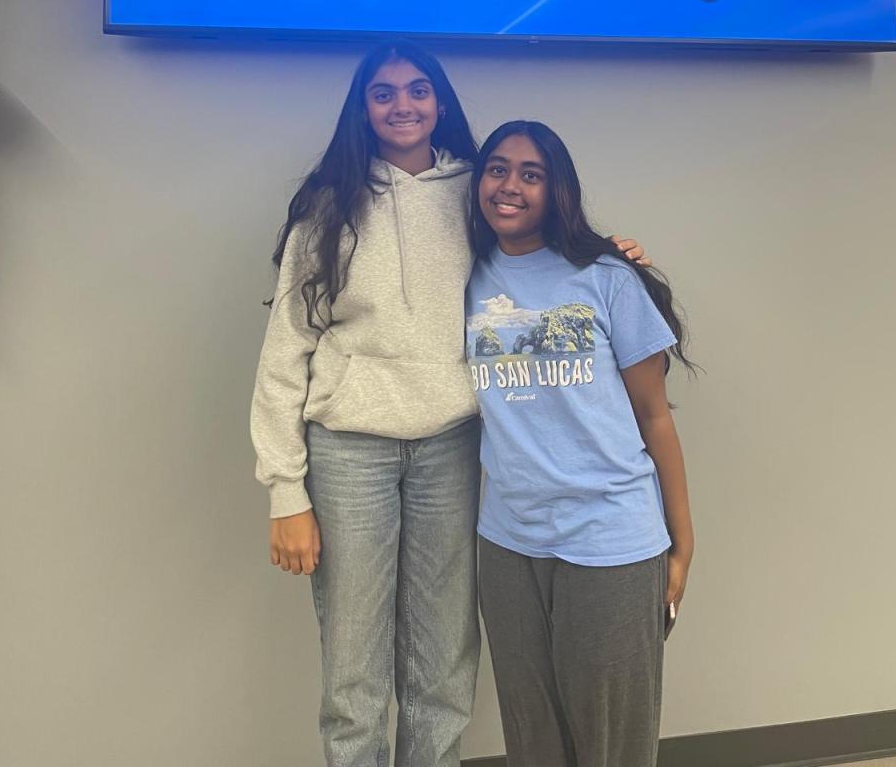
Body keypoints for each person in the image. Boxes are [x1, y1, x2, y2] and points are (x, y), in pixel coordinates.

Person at [250, 43, 650, 767]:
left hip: (451, 448)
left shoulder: (474, 192)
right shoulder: (328, 204)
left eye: (417, 89)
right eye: (383, 92)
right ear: (363, 108)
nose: (402, 104)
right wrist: (285, 491)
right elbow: (285, 351)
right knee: (354, 667)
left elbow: (537, 245)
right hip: (349, 451)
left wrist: (607, 253)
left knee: (444, 661)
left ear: (439, 103)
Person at [466, 120, 696, 767]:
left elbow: (655, 417)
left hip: (610, 538)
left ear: (557, 190)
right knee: (533, 740)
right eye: (497, 169)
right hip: (508, 544)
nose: (510, 186)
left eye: (531, 174)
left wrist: (683, 544)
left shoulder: (607, 277)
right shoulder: (466, 277)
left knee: (610, 745)